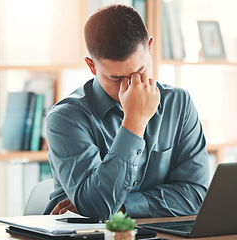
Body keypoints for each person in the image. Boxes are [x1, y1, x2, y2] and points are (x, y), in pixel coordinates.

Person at [43, 4, 209, 220]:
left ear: (150, 48)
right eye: (116, 78)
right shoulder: (66, 119)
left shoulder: (180, 103)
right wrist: (134, 121)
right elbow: (97, 208)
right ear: (92, 66)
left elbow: (196, 195)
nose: (130, 87)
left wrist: (122, 206)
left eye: (140, 71)